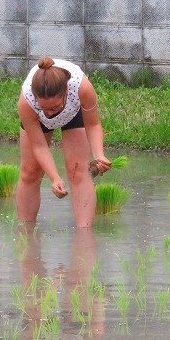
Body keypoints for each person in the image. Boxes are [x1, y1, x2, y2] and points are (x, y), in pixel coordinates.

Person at [17, 57, 111, 227]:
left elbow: (93, 124)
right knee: (30, 172)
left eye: (54, 107)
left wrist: (99, 155)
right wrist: (55, 178)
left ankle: (84, 237)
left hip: (73, 113)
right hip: (37, 120)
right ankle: (26, 235)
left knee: (78, 171)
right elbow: (39, 146)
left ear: (67, 90)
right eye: (45, 107)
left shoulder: (81, 87)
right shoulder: (27, 102)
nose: (51, 113)